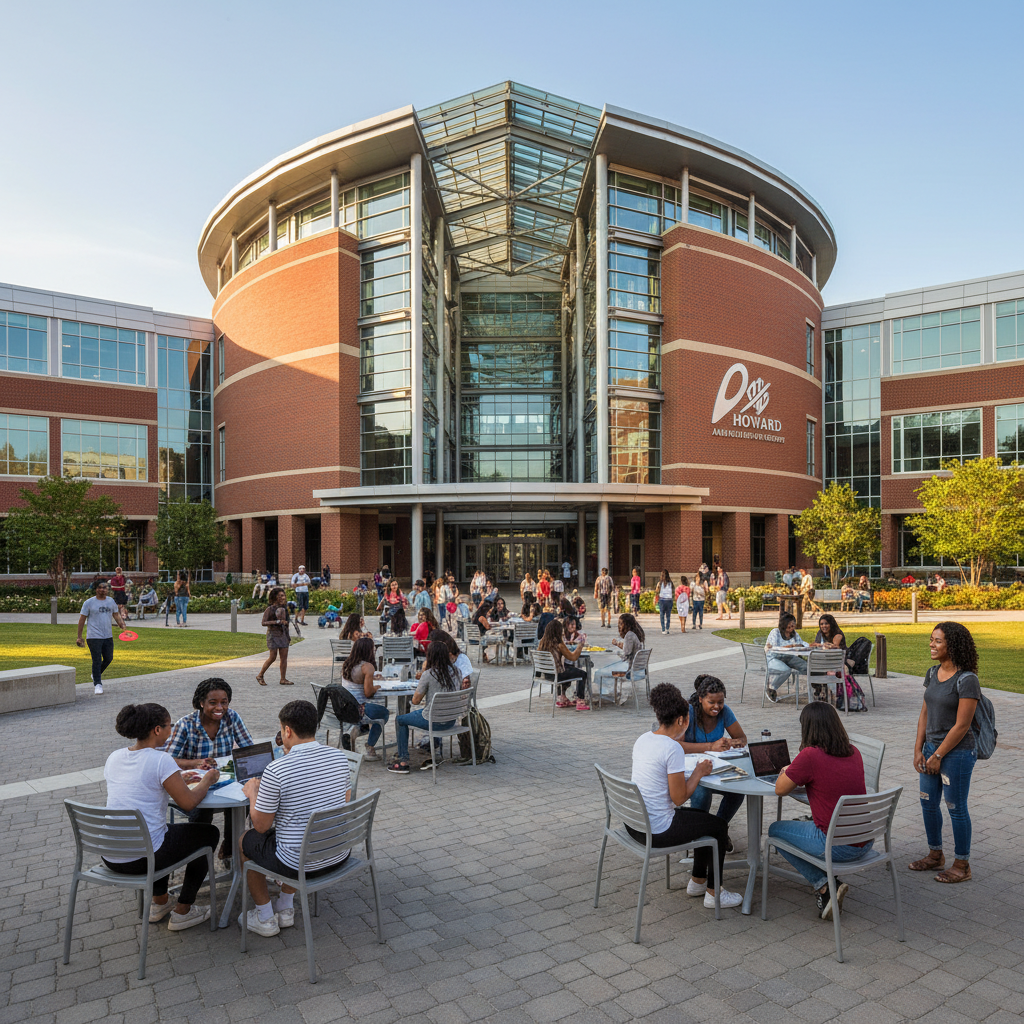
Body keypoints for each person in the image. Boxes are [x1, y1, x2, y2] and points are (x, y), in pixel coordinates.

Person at [238, 700, 353, 936]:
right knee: (294, 834)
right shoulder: (339, 758)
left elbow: (261, 826)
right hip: (338, 853)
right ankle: (285, 906)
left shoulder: (277, 769)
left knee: (244, 841)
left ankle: (265, 917)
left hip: (300, 863)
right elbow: (344, 802)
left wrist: (253, 793)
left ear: (287, 731)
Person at [103, 702, 221, 931]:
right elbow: (187, 804)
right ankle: (183, 910)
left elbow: (139, 785)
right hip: (143, 857)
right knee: (208, 834)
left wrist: (180, 777)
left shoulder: (115, 757)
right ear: (157, 730)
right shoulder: (160, 760)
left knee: (161, 831)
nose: (172, 730)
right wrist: (207, 779)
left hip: (112, 854)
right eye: (169, 726)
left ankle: (159, 902)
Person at [630, 684, 743, 909]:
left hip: (635, 824)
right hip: (658, 829)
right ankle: (714, 893)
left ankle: (698, 881)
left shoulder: (643, 739)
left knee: (703, 821)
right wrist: (699, 772)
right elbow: (680, 798)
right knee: (718, 827)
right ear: (682, 720)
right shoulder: (672, 748)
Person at [769, 702, 873, 920]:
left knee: (775, 830)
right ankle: (827, 886)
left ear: (807, 728)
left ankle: (825, 885)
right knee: (804, 822)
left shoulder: (809, 756)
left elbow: (780, 789)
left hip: (837, 845)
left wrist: (787, 770)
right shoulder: (854, 752)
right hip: (865, 840)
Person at [909, 622, 982, 884]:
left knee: (955, 807)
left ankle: (962, 864)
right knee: (927, 802)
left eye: (937, 641)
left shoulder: (967, 680)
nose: (931, 644)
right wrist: (919, 748)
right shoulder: (932, 672)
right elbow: (925, 712)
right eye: (931, 639)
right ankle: (935, 854)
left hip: (957, 754)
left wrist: (938, 755)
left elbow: (962, 725)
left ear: (952, 645)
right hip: (931, 750)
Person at [165, 677, 254, 859]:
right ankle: (199, 858)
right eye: (213, 703)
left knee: (241, 803)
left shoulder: (232, 718)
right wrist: (195, 763)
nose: (219, 708)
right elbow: (166, 759)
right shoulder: (186, 724)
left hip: (225, 782)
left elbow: (248, 748)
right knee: (201, 814)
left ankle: (229, 849)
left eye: (224, 702)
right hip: (195, 786)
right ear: (201, 703)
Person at [387, 641, 461, 774]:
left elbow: (415, 701)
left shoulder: (429, 674)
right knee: (428, 711)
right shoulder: (457, 671)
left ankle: (403, 762)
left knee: (400, 720)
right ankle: (429, 749)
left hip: (433, 721)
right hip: (450, 720)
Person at [682, 676, 746, 829]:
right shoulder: (688, 713)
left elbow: (742, 739)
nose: (716, 706)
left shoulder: (725, 712)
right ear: (700, 699)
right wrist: (710, 746)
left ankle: (717, 828)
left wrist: (732, 742)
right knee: (702, 793)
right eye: (711, 702)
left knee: (738, 790)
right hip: (690, 773)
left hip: (715, 770)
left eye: (720, 702)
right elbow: (676, 746)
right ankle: (700, 834)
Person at [340, 636, 390, 761]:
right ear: (369, 650)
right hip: (359, 709)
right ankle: (370, 746)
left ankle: (355, 730)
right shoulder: (368, 667)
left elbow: (356, 680)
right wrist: (376, 686)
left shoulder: (347, 663)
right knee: (383, 713)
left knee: (374, 712)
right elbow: (368, 693)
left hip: (344, 707)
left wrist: (371, 678)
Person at [76, 580, 126, 695]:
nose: (102, 589)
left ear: (107, 589)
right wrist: (79, 637)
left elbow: (116, 615)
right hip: (93, 636)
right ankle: (98, 684)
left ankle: (95, 674)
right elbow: (82, 620)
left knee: (109, 658)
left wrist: (122, 625)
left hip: (107, 636)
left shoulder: (110, 601)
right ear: (96, 589)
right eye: (100, 587)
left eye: (105, 588)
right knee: (97, 660)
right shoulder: (89, 603)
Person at [538, 619, 589, 710]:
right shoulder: (559, 644)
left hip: (546, 675)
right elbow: (573, 657)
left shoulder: (542, 643)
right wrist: (580, 646)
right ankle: (580, 700)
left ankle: (561, 698)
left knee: (568, 669)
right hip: (557, 675)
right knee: (582, 673)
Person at [764, 612, 808, 702]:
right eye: (789, 626)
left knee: (807, 667)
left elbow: (802, 643)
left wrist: (806, 646)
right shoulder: (775, 632)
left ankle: (818, 689)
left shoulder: (794, 634)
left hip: (789, 657)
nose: (791, 628)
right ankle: (771, 688)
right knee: (785, 670)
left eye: (793, 626)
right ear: (784, 625)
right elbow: (774, 648)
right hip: (774, 657)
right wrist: (791, 646)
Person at [257, 587, 293, 686]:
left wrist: (288, 636)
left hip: (283, 635)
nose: (283, 597)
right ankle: (260, 675)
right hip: (273, 635)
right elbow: (264, 622)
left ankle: (283, 679)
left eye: (283, 595)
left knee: (284, 658)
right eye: (280, 596)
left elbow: (287, 624)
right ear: (275, 597)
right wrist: (277, 622)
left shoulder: (285, 608)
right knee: (272, 657)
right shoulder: (270, 609)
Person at [655, 570, 674, 634]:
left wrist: (656, 599)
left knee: (662, 614)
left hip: (662, 600)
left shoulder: (660, 583)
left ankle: (663, 629)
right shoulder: (671, 583)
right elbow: (673, 592)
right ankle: (667, 628)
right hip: (669, 600)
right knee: (668, 615)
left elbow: (657, 591)